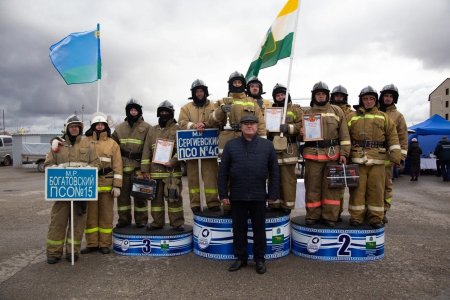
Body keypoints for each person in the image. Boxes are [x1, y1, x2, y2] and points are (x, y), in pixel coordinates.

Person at [218, 115, 279, 274]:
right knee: (239, 229)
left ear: (257, 126)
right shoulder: (231, 146)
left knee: (259, 229)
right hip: (237, 195)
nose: (249, 126)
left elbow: (274, 172)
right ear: (241, 127)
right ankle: (240, 258)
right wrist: (223, 193)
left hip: (259, 195)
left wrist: (273, 193)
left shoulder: (267, 145)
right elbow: (223, 172)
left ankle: (260, 259)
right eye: (245, 124)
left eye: (252, 123)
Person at [208, 71, 266, 214]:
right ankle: (227, 206)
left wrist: (263, 145)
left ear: (243, 84)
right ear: (230, 84)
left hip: (249, 142)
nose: (237, 84)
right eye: (235, 82)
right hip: (226, 141)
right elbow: (211, 121)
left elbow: (261, 123)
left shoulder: (252, 102)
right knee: (226, 172)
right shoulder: (221, 101)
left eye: (240, 82)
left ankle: (249, 203)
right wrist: (221, 111)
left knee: (248, 172)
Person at [45, 115, 99, 264]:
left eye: (77, 126)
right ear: (67, 128)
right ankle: (54, 253)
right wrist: (56, 168)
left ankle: (72, 252)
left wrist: (88, 168)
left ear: (80, 129)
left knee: (78, 225)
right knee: (58, 223)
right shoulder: (57, 145)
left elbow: (97, 164)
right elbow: (47, 164)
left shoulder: (88, 145)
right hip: (62, 193)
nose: (74, 129)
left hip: (80, 194)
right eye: (71, 126)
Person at [347, 86, 401, 228]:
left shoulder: (384, 117)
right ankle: (356, 217)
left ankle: (376, 218)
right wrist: (345, 155)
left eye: (371, 99)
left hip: (378, 160)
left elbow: (393, 138)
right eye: (365, 99)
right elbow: (345, 137)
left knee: (376, 190)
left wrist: (397, 156)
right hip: (358, 159)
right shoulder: (352, 117)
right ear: (361, 100)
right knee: (357, 190)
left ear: (376, 100)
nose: (368, 101)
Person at [302, 81, 351, 227]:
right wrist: (300, 133)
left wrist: (344, 153)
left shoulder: (337, 111)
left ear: (327, 95)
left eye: (323, 93)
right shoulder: (307, 113)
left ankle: (330, 216)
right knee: (312, 187)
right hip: (312, 156)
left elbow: (344, 135)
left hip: (332, 156)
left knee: (332, 189)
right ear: (314, 96)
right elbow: (299, 137)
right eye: (318, 93)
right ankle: (312, 215)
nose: (321, 96)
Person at [81, 112, 122, 255]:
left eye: (102, 124)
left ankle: (104, 243)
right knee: (90, 216)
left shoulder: (112, 143)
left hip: (107, 185)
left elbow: (117, 165)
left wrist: (117, 185)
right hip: (89, 185)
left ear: (105, 126)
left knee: (106, 216)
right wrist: (55, 141)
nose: (99, 126)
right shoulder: (84, 141)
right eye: (97, 124)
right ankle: (92, 244)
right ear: (93, 126)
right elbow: (70, 145)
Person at [178, 79, 221, 213]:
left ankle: (213, 202)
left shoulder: (213, 106)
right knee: (192, 177)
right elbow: (181, 122)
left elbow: (219, 120)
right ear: (193, 93)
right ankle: (195, 203)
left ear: (205, 92)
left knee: (211, 175)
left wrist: (206, 124)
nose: (199, 93)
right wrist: (193, 125)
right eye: (197, 91)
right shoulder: (186, 108)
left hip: (208, 147)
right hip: (192, 148)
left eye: (201, 91)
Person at [141, 101, 185, 231]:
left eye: (167, 112)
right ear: (158, 113)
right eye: (162, 112)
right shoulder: (152, 130)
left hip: (172, 173)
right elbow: (146, 151)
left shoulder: (177, 129)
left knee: (174, 200)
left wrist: (173, 161)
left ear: (171, 114)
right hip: (155, 173)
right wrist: (145, 170)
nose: (164, 114)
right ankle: (157, 222)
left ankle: (177, 223)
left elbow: (181, 149)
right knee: (156, 201)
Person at [112, 99, 151, 228]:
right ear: (128, 111)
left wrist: (146, 169)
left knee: (140, 197)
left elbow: (150, 148)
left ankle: (141, 221)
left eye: (135, 110)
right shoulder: (119, 128)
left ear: (139, 111)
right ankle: (124, 220)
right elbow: (111, 144)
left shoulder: (147, 127)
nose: (133, 112)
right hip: (123, 168)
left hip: (139, 168)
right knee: (123, 199)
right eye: (131, 110)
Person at [267, 83, 302, 213]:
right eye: (277, 95)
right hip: (274, 150)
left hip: (289, 149)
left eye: (282, 94)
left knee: (288, 180)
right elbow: (265, 129)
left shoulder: (295, 110)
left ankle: (287, 205)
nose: (280, 97)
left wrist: (289, 128)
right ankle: (274, 203)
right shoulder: (271, 111)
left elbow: (301, 126)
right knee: (273, 178)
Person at [379, 84, 408, 223]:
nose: (388, 99)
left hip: (388, 158)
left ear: (394, 98)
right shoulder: (374, 111)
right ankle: (370, 211)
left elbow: (403, 138)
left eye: (391, 96)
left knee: (386, 186)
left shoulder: (398, 116)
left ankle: (383, 210)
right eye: (386, 96)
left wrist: (400, 157)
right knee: (371, 186)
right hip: (372, 156)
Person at [330, 85, 353, 221]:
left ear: (345, 97)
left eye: (341, 96)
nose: (339, 98)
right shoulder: (330, 111)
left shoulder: (352, 113)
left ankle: (357, 214)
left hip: (351, 153)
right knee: (337, 186)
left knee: (354, 186)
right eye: (336, 95)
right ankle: (336, 212)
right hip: (336, 153)